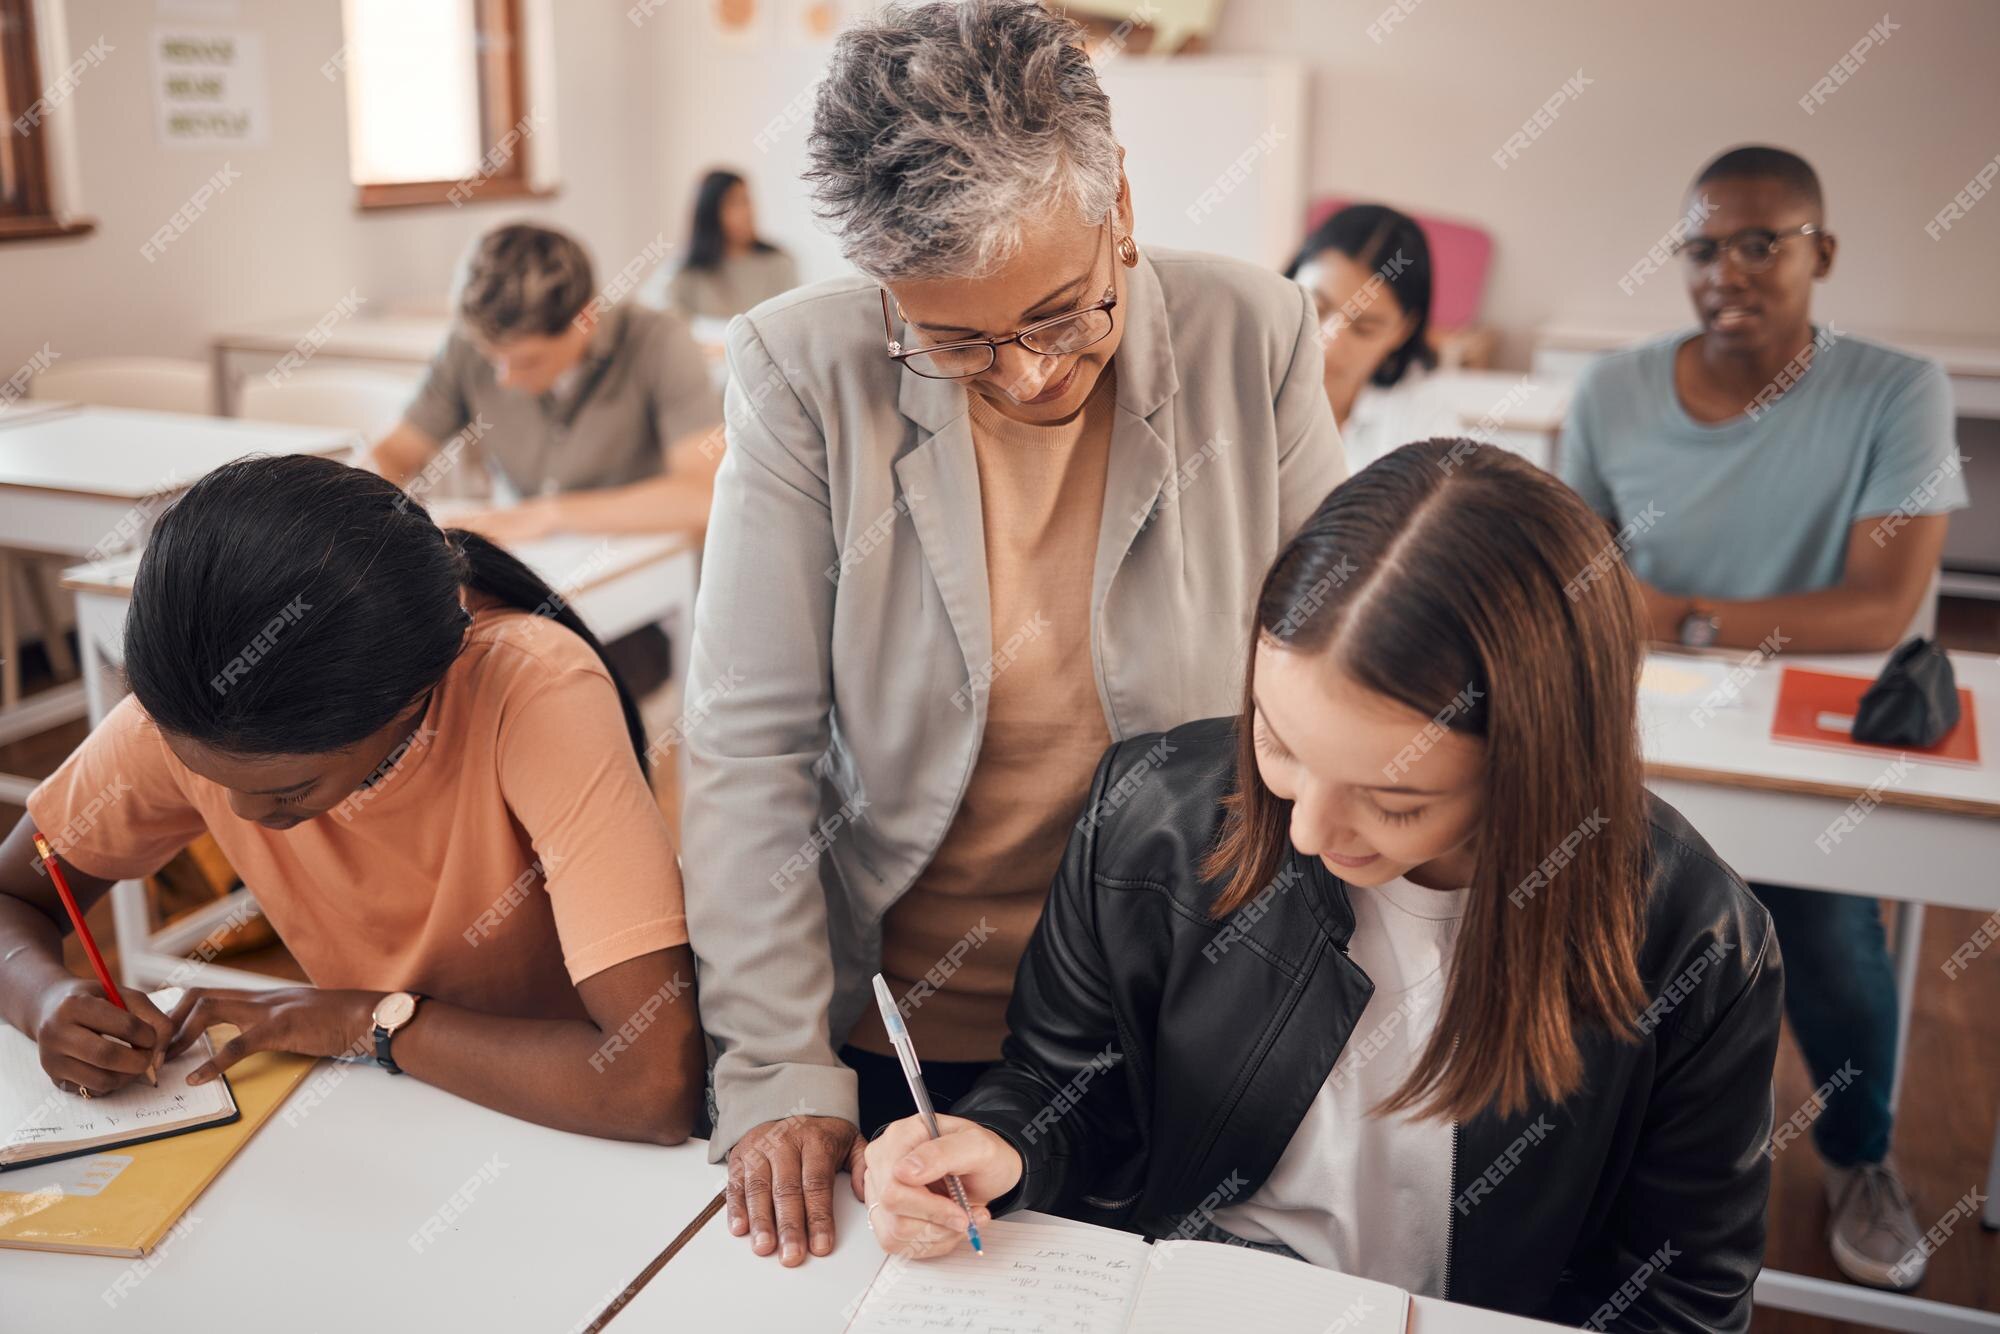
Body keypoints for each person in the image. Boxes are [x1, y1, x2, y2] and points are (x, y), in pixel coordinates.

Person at [681, 0, 1345, 1266]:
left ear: (1121, 214)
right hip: (901, 1017)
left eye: (1059, 312)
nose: (1029, 374)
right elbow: (747, 744)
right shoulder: (800, 369)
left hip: (1174, 995)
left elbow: (1329, 671)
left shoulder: (1251, 337)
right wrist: (774, 1064)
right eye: (954, 340)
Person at [864, 440, 1783, 1332]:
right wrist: (999, 1146)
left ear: (1540, 770)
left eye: (1392, 800)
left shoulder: (1698, 944)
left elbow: (1680, 1303)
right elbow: (1063, 1085)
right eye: (1279, 742)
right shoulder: (1153, 813)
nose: (1306, 829)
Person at [0, 455, 702, 1143]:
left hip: (567, 1132)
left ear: (412, 699)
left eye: (291, 791)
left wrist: (364, 1021)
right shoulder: (195, 710)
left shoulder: (533, 691)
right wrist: (45, 998)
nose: (241, 816)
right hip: (398, 1109)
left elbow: (646, 1085)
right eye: (205, 777)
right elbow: (12, 898)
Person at [1559, 145, 1967, 1291]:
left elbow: (1879, 605)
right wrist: (1638, 619)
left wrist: (1678, 615)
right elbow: (1579, 579)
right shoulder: (1611, 390)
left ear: (1818, 253)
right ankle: (1593, 1166)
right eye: (1700, 245)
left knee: (1829, 933)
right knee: (1597, 921)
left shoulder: (1894, 390)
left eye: (1759, 242)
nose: (1725, 269)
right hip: (1648, 732)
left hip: (1804, 726)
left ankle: (1858, 1156)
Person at [368, 222, 724, 545]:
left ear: (585, 318)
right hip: (526, 559)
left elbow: (702, 494)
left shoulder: (660, 342)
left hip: (642, 571)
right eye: (492, 358)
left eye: (527, 361)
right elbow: (393, 452)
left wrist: (552, 514)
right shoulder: (465, 344)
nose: (505, 379)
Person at [1285, 204, 1453, 473]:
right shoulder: (1236, 377)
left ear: (1403, 331)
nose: (1329, 342)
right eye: (1317, 308)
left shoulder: (1422, 411)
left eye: (1365, 328)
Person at [667, 169, 800, 325]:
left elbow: (789, 323)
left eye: (747, 201)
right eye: (734, 204)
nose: (747, 212)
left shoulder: (778, 263)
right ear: (710, 213)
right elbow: (673, 327)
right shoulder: (686, 273)